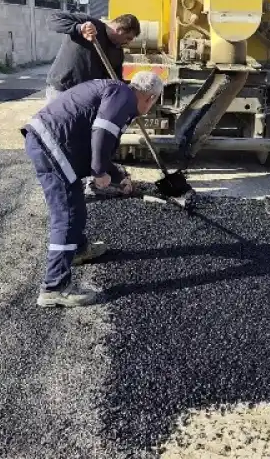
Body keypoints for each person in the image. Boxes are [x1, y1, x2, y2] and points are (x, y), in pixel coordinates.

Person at [22, 72, 164, 308]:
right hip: (50, 144)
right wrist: (99, 173)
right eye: (155, 101)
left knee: (75, 208)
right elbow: (101, 133)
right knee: (68, 215)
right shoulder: (123, 97)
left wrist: (119, 176)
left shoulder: (118, 93)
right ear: (150, 98)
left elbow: (99, 145)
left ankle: (77, 250)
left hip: (49, 140)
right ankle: (54, 287)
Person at [45, 12, 141, 101]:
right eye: (128, 38)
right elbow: (52, 19)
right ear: (119, 29)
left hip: (86, 97)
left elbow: (116, 80)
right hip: (61, 91)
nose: (128, 43)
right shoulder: (91, 25)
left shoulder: (118, 52)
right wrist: (80, 28)